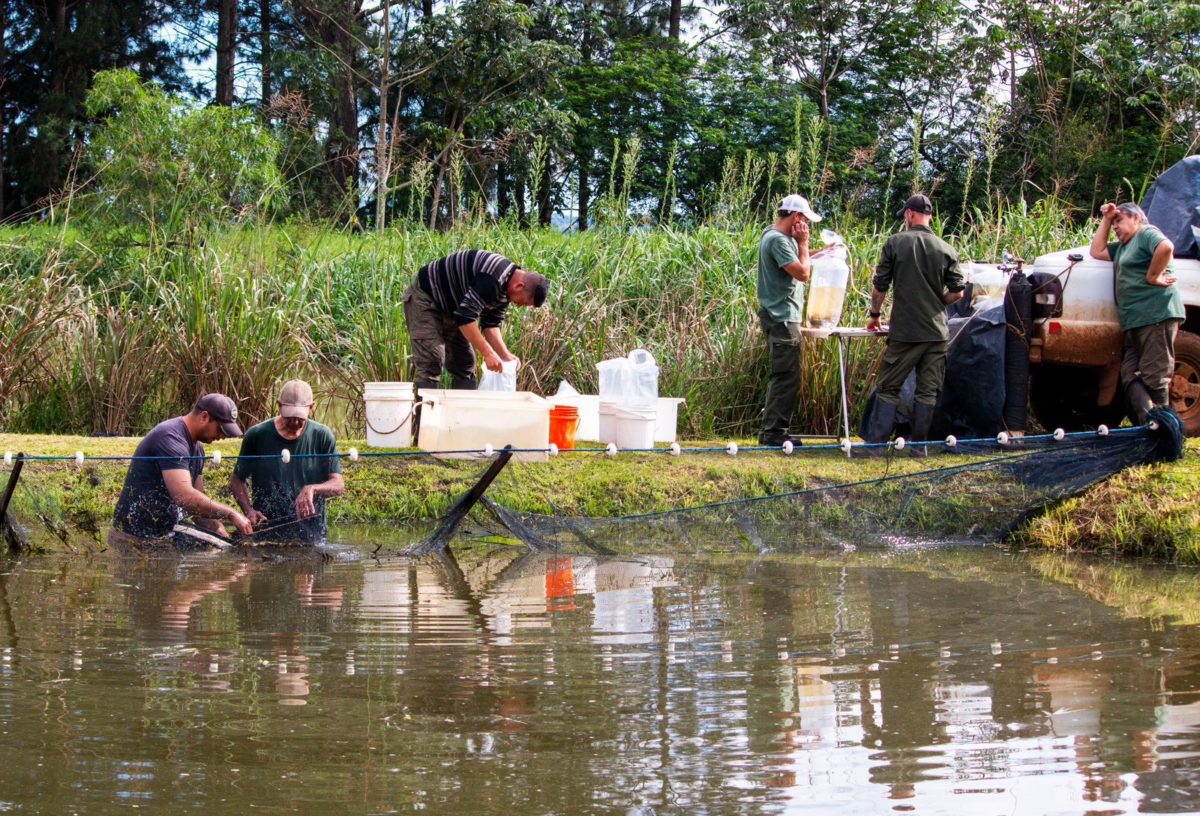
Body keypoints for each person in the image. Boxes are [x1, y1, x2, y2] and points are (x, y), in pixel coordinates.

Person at [864, 194, 965, 451]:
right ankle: (920, 448)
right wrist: (937, 302)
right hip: (937, 333)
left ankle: (875, 446)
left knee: (889, 387)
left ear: (909, 214)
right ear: (929, 216)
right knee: (927, 392)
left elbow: (880, 286)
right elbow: (958, 293)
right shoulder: (946, 248)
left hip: (906, 332)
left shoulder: (895, 243)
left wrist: (875, 315)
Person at [110, 393, 253, 549]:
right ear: (204, 417)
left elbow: (197, 508)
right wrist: (231, 513)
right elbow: (184, 497)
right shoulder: (170, 437)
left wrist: (219, 531)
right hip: (132, 540)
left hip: (162, 538)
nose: (223, 436)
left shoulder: (197, 449)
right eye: (220, 429)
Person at [1088, 202, 1184, 422]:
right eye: (1113, 223)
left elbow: (1165, 247)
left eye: (1119, 221)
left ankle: (1165, 431)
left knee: (1155, 376)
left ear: (1136, 218)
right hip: (1135, 320)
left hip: (1156, 314)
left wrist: (1153, 276)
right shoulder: (1123, 246)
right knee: (1129, 373)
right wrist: (1107, 219)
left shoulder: (1146, 233)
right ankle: (1149, 425)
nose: (1115, 227)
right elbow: (1096, 251)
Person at [403, 249, 550, 390]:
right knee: (432, 360)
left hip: (454, 308)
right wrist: (488, 353)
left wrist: (505, 355)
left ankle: (463, 408)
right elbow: (465, 317)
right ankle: (424, 407)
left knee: (465, 362)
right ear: (519, 286)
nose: (519, 306)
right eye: (523, 302)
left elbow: (491, 324)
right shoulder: (492, 278)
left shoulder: (507, 289)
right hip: (426, 297)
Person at [230, 380, 345, 543]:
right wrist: (248, 510)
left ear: (311, 408)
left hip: (312, 531)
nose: (294, 422)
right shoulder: (256, 435)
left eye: (300, 418)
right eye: (289, 417)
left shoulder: (322, 436)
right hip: (267, 530)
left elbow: (338, 484)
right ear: (279, 406)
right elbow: (237, 479)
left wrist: (313, 489)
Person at [757, 193, 822, 447]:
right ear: (796, 217)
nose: (807, 226)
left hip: (779, 317)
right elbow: (803, 272)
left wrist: (823, 252)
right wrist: (804, 242)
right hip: (782, 318)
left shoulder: (773, 235)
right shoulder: (778, 240)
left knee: (785, 375)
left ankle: (772, 431)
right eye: (805, 220)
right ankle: (774, 433)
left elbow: (796, 259)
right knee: (786, 376)